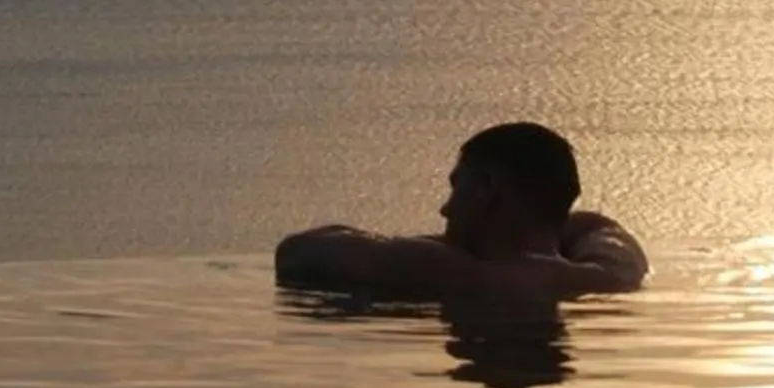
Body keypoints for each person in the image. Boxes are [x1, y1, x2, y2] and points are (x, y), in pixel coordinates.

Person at [272, 122, 649, 299]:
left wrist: (434, 246)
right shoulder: (607, 275)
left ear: (487, 189)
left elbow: (297, 252)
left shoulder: (448, 271)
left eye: (457, 188)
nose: (445, 210)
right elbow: (597, 227)